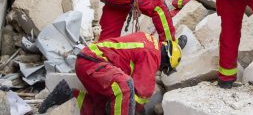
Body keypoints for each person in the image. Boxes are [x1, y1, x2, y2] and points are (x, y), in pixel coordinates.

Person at [39, 32, 186, 115]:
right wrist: (138, 111)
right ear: (166, 59)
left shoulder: (150, 42)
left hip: (89, 62)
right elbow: (143, 91)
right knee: (125, 87)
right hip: (93, 61)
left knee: (104, 109)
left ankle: (65, 97)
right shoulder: (153, 54)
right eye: (163, 67)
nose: (159, 70)